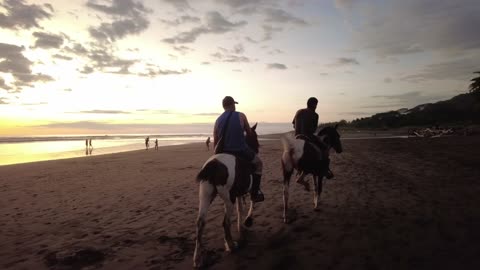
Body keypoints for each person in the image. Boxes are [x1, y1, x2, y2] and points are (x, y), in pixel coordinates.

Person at [213, 96, 264, 203]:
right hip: (240, 150)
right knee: (259, 164)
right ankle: (255, 192)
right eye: (234, 104)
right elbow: (249, 134)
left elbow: (216, 141)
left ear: (224, 107)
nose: (235, 106)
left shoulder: (217, 120)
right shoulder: (241, 116)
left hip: (224, 152)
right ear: (232, 105)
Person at [292, 97, 333, 188]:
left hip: (296, 138)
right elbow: (313, 130)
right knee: (324, 148)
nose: (316, 107)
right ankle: (325, 170)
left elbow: (294, 125)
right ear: (314, 105)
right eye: (316, 105)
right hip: (307, 137)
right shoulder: (315, 115)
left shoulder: (298, 111)